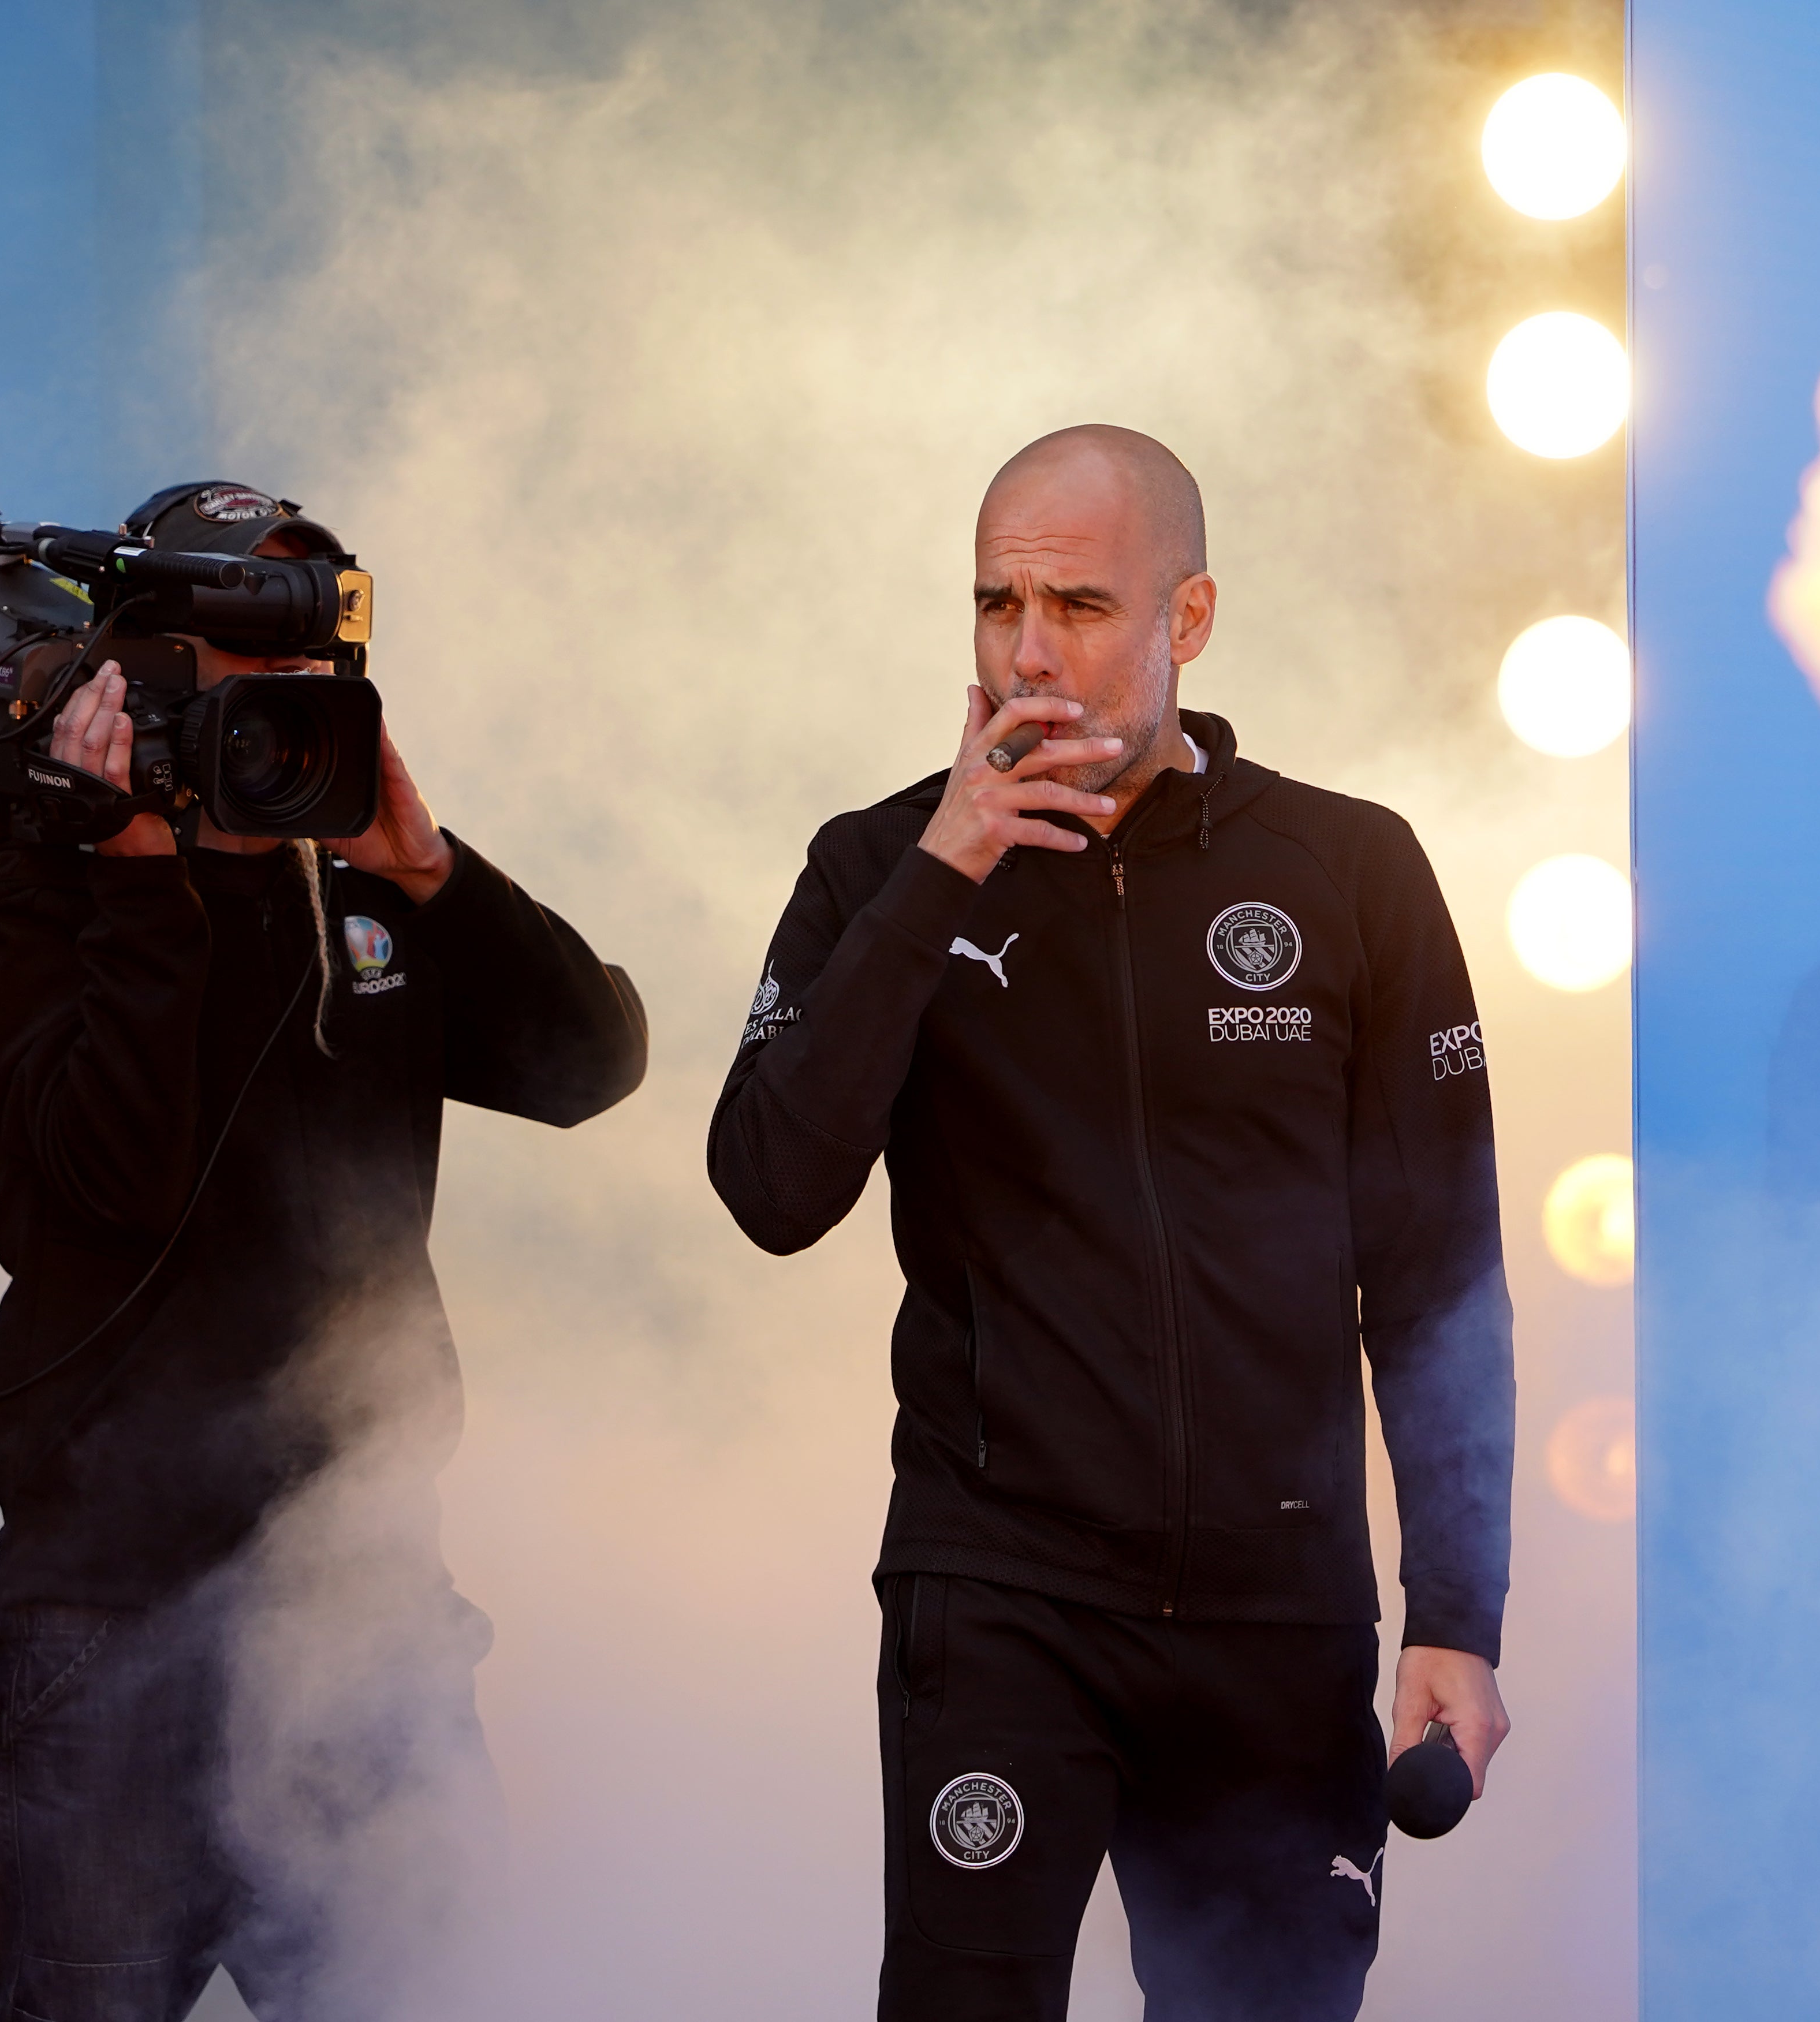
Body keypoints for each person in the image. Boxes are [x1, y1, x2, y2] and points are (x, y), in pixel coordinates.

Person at [708, 426, 1515, 2021]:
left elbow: (1436, 1283)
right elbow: (770, 1191)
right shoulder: (875, 866)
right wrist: (943, 873)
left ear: (1187, 618)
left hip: (1275, 1608)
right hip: (1000, 1594)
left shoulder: (1349, 869)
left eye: (1077, 606)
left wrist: (1455, 1619)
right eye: (995, 607)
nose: (1028, 653)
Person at [0, 481, 648, 2022]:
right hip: (109, 1628)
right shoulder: (33, 884)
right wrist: (138, 871)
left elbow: (590, 1063)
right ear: (138, 679)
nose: (285, 710)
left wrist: (427, 869)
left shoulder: (364, 884)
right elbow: (104, 1184)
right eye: (243, 667)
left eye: (312, 670)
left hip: (366, 1626)